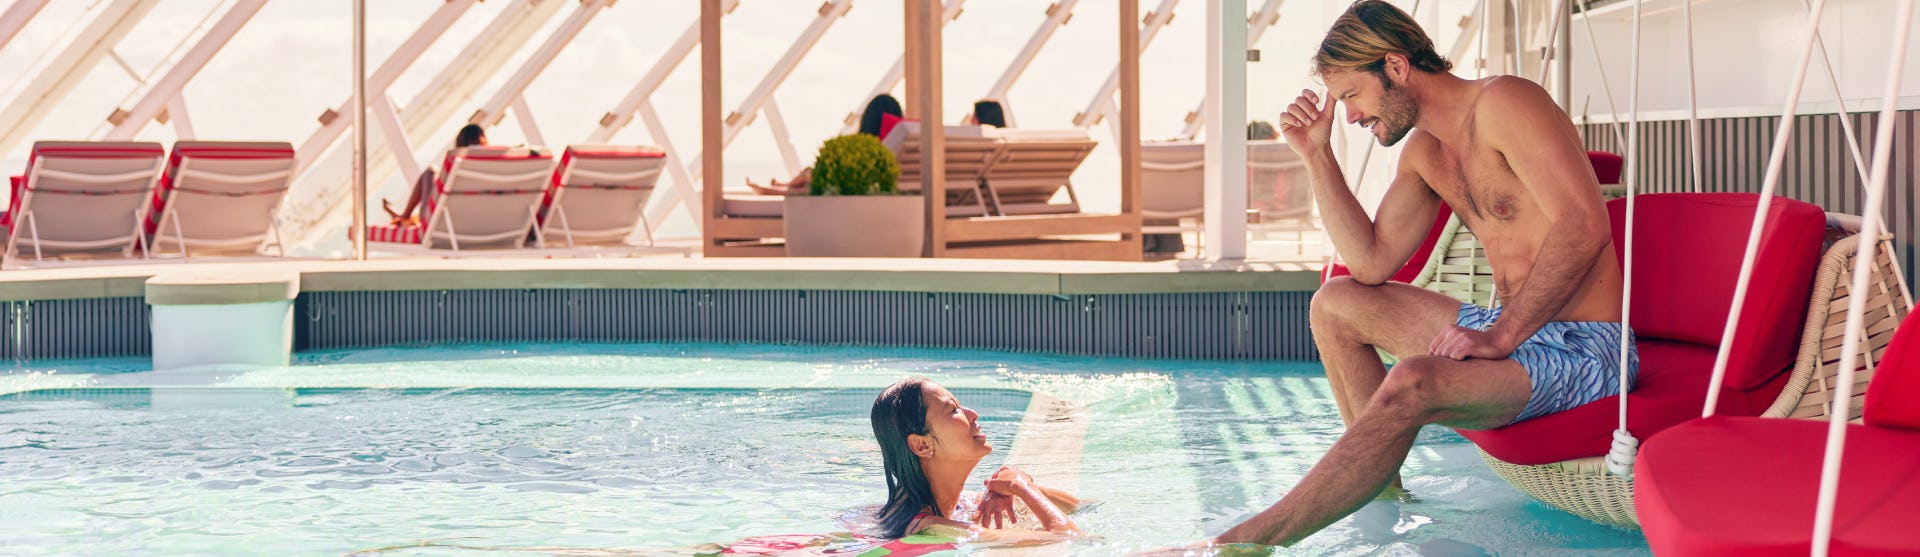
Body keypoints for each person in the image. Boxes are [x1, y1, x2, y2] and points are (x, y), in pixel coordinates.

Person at [1214, 0, 1632, 546]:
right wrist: (1317, 156)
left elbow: (1583, 226)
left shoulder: (1507, 102)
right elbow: (1369, 263)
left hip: (1586, 349)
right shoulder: (1424, 152)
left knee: (1412, 380)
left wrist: (1500, 335)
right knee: (1335, 303)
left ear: (1395, 66)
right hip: (1511, 334)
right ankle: (1380, 496)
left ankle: (1245, 542)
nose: (1351, 116)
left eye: (1352, 96)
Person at [870, 377, 1080, 539]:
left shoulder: (959, 504)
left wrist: (1009, 488)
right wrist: (1022, 487)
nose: (972, 414)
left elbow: (1080, 507)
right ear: (921, 445)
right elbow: (1068, 538)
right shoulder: (931, 528)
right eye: (953, 410)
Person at [747, 94, 904, 196]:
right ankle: (783, 186)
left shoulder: (866, 151)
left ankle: (777, 189)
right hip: (862, 187)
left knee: (816, 181)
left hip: (854, 189)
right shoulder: (900, 143)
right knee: (813, 176)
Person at [383, 123, 486, 226]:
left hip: (447, 222)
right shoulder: (495, 165)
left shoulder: (457, 163)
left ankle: (404, 217)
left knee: (430, 172)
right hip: (481, 220)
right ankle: (405, 218)